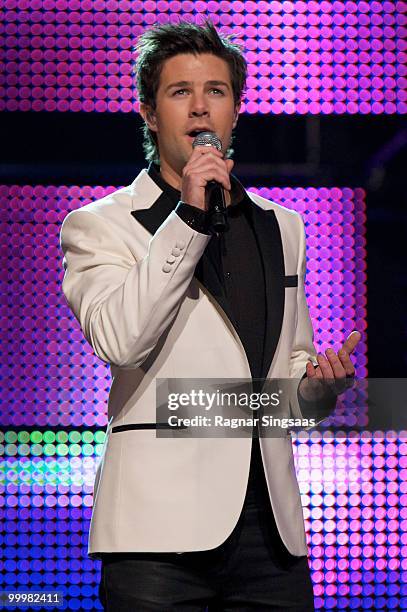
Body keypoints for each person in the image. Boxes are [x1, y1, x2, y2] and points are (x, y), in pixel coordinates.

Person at [59, 20, 361, 611]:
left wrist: (317, 390)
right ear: (150, 113)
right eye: (180, 92)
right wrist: (191, 219)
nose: (200, 107)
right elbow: (120, 338)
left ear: (237, 110)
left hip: (270, 535)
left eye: (216, 91)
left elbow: (287, 383)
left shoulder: (283, 226)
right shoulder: (99, 225)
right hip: (158, 538)